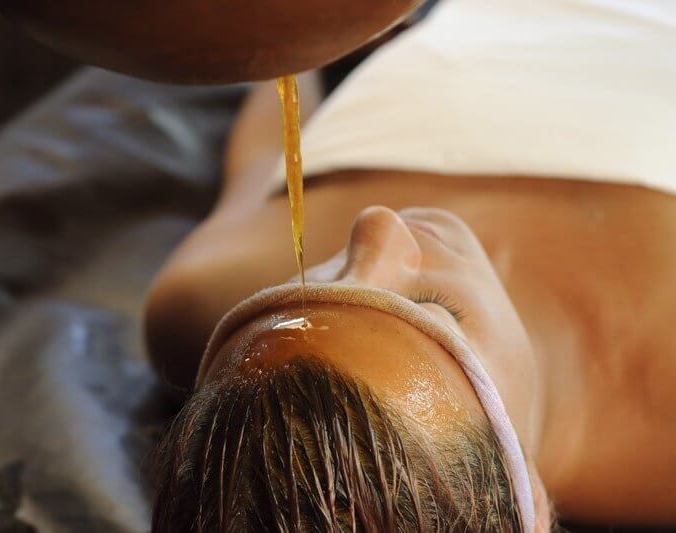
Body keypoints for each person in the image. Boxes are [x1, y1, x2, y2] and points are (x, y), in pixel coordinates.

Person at [144, 0, 676, 530]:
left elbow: (280, 80)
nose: (379, 227)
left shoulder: (206, 295)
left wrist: (318, 23)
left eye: (310, 288)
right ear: (533, 507)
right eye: (433, 308)